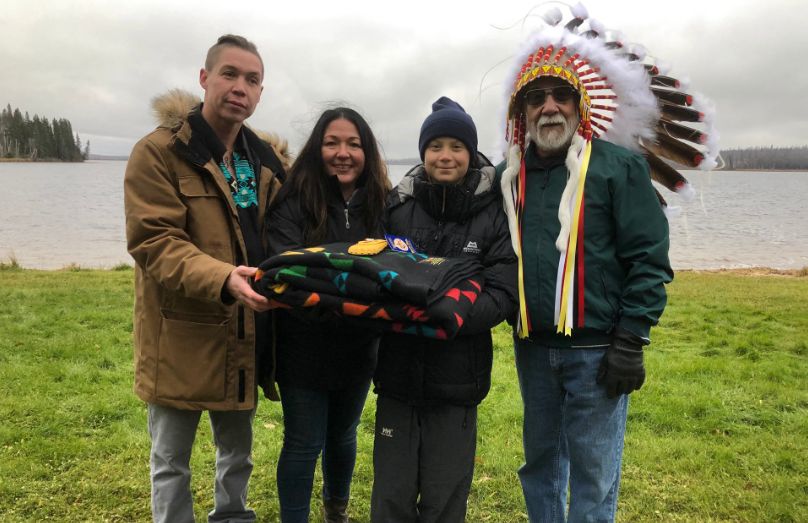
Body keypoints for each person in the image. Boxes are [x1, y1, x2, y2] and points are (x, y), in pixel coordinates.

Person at [498, 10, 682, 522]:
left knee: (594, 474)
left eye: (561, 95)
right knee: (539, 465)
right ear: (524, 112)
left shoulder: (618, 167)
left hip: (599, 353)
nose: (549, 106)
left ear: (579, 107)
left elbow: (649, 259)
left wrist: (631, 340)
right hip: (533, 349)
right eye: (537, 97)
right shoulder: (508, 178)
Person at [124, 34, 287, 522]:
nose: (240, 87)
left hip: (245, 334)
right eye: (230, 74)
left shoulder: (268, 163)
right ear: (204, 79)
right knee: (171, 461)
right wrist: (223, 278)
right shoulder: (158, 153)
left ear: (260, 93)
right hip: (179, 334)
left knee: (237, 455)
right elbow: (154, 241)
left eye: (252, 80)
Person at [370, 97, 518, 522]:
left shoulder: (494, 214)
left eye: (456, 146)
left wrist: (444, 318)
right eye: (436, 146)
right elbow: (375, 277)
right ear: (423, 152)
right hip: (397, 378)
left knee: (445, 500)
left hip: (458, 381)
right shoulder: (395, 210)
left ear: (471, 153)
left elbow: (503, 291)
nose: (445, 156)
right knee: (391, 496)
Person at [265, 107, 390, 523]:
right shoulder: (293, 201)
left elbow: (396, 269)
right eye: (332, 142)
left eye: (353, 144)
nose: (343, 153)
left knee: (343, 435)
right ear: (317, 149)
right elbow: (286, 272)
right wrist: (353, 305)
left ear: (367, 152)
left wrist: (360, 314)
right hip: (304, 347)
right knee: (303, 442)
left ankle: (337, 511)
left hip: (360, 347)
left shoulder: (382, 204)